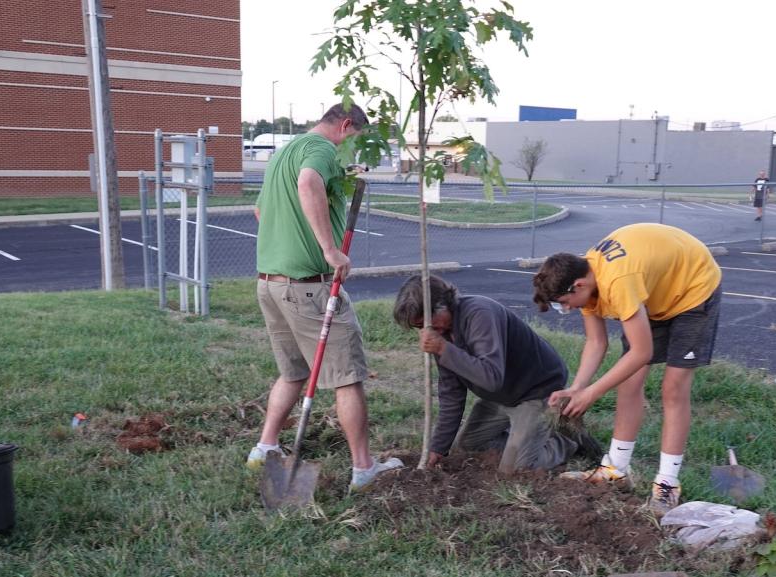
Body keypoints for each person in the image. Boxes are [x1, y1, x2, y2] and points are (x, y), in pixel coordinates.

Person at [246, 103, 403, 491]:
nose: (352, 151)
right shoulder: (321, 150)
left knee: (293, 372)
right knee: (347, 376)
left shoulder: (285, 150)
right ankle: (364, 468)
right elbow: (308, 183)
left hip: (271, 283)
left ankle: (264, 447)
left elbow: (259, 211)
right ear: (345, 125)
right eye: (355, 140)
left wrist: (291, 237)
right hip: (308, 287)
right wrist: (329, 250)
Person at [531, 223, 722, 516]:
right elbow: (596, 342)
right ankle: (616, 470)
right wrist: (577, 388)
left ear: (578, 286)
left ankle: (667, 485)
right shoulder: (586, 278)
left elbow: (641, 351)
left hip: (693, 287)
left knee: (672, 388)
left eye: (564, 303)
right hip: (655, 290)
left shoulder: (617, 283)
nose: (566, 310)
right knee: (628, 382)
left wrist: (593, 393)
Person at [392, 275, 602, 473]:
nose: (424, 332)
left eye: (424, 324)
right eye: (418, 327)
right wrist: (437, 448)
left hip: (537, 391)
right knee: (466, 447)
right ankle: (526, 436)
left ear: (442, 304)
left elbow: (491, 378)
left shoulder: (479, 314)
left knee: (515, 470)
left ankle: (565, 441)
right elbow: (451, 395)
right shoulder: (441, 334)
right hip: (503, 396)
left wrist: (443, 349)